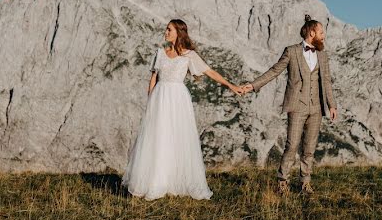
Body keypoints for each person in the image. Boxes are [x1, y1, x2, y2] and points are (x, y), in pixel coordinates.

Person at [122, 18, 242, 200]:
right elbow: (153, 78)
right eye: (166, 29)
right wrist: (150, 101)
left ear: (179, 32)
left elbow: (210, 72)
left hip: (178, 99)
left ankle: (174, 180)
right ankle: (155, 181)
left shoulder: (189, 55)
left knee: (176, 137)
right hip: (160, 97)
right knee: (157, 137)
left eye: (169, 29)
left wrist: (230, 85)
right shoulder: (160, 53)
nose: (166, 32)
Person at [239, 14, 338, 195]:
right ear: (312, 32)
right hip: (296, 106)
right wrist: (253, 85)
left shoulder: (322, 55)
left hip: (316, 108)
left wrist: (332, 105)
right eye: (322, 32)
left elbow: (327, 81)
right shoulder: (291, 51)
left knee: (309, 148)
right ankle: (282, 182)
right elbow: (275, 70)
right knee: (292, 145)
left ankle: (305, 183)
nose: (324, 35)